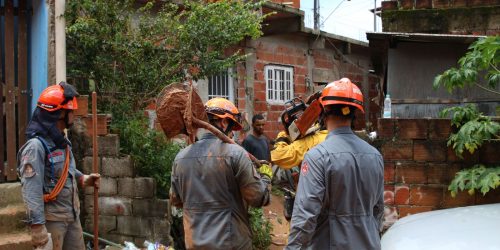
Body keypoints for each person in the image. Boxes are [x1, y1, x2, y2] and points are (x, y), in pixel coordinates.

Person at [286, 78, 384, 249]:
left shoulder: (317, 157)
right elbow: (378, 211)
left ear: (323, 109)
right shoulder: (375, 155)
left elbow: (305, 217)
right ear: (354, 112)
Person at [170, 97, 271, 249]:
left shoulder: (181, 158)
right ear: (224, 123)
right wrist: (265, 177)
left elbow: (176, 200)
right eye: (232, 129)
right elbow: (257, 198)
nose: (232, 135)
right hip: (231, 244)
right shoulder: (236, 154)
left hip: (195, 244)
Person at [17, 82, 100, 250]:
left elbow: (65, 170)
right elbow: (31, 188)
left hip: (72, 215)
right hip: (52, 221)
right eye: (71, 111)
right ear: (60, 113)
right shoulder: (36, 147)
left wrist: (83, 179)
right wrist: (37, 226)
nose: (74, 115)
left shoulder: (61, 140)